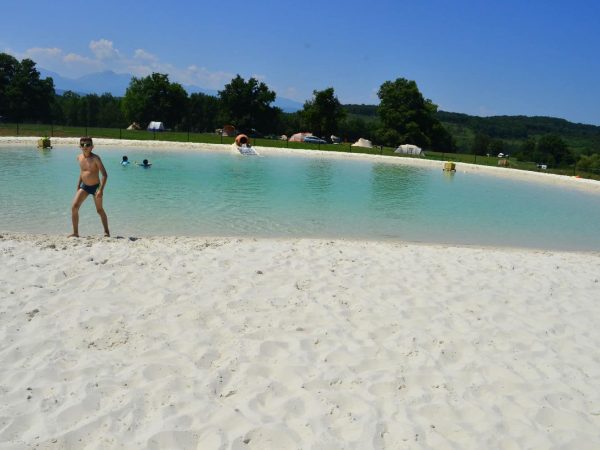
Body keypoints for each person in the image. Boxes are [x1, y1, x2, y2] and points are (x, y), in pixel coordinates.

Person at [69, 137, 110, 237]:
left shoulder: (95, 158)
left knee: (99, 210)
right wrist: (78, 184)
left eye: (87, 145)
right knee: (74, 207)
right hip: (84, 186)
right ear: (80, 146)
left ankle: (106, 232)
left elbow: (104, 174)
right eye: (82, 145)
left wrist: (100, 190)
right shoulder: (79, 157)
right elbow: (83, 172)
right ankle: (75, 233)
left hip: (96, 188)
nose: (85, 147)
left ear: (92, 147)